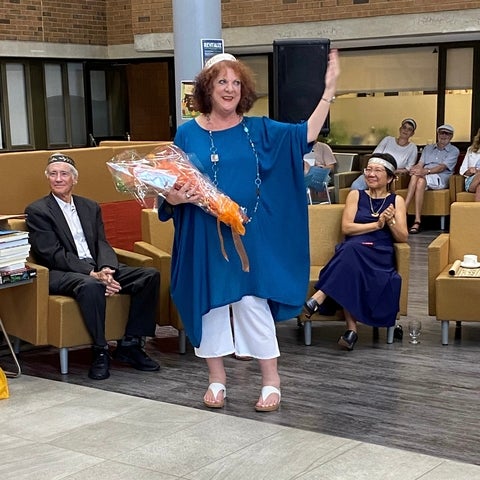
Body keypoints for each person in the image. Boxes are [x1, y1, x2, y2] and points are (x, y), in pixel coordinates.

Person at [158, 51, 339, 412]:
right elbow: (171, 182)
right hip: (201, 233)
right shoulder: (186, 131)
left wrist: (329, 91)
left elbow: (306, 134)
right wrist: (174, 198)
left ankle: (271, 382)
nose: (230, 89)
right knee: (209, 303)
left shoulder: (257, 129)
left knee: (251, 301)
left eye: (236, 83)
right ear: (207, 88)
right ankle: (216, 379)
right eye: (222, 82)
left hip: (247, 234)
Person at [25, 153, 161, 380]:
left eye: (64, 174)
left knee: (149, 275)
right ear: (47, 177)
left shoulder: (89, 206)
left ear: (74, 179)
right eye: (53, 174)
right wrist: (92, 274)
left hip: (96, 266)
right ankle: (100, 351)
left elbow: (101, 242)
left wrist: (106, 268)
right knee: (90, 285)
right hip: (61, 272)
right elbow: (52, 254)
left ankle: (130, 345)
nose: (58, 179)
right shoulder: (38, 210)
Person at [303, 153, 408, 351]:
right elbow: (347, 228)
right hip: (354, 247)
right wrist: (377, 224)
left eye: (377, 170)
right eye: (369, 169)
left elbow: (402, 237)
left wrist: (391, 220)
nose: (371, 174)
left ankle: (320, 297)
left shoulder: (397, 200)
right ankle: (351, 330)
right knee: (351, 251)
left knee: (349, 254)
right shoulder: (356, 195)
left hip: (379, 253)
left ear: (390, 177)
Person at [404, 124, 459, 234]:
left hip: (440, 177)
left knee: (419, 178)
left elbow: (441, 167)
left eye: (447, 133)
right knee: (418, 179)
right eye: (441, 132)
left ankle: (403, 209)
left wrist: (425, 171)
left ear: (451, 136)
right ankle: (417, 220)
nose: (443, 135)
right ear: (438, 134)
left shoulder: (454, 150)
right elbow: (420, 163)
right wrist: (416, 169)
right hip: (423, 176)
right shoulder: (428, 148)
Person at [350, 118, 418, 190]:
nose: (406, 130)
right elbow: (375, 156)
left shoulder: (412, 148)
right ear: (400, 129)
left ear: (412, 133)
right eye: (404, 127)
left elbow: (408, 169)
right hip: (375, 169)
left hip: (390, 174)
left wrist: (393, 171)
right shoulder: (388, 140)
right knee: (356, 186)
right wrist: (377, 169)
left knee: (376, 188)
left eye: (409, 129)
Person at [459, 128, 480, 201]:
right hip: (472, 181)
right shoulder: (471, 150)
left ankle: (476, 211)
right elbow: (462, 170)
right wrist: (470, 171)